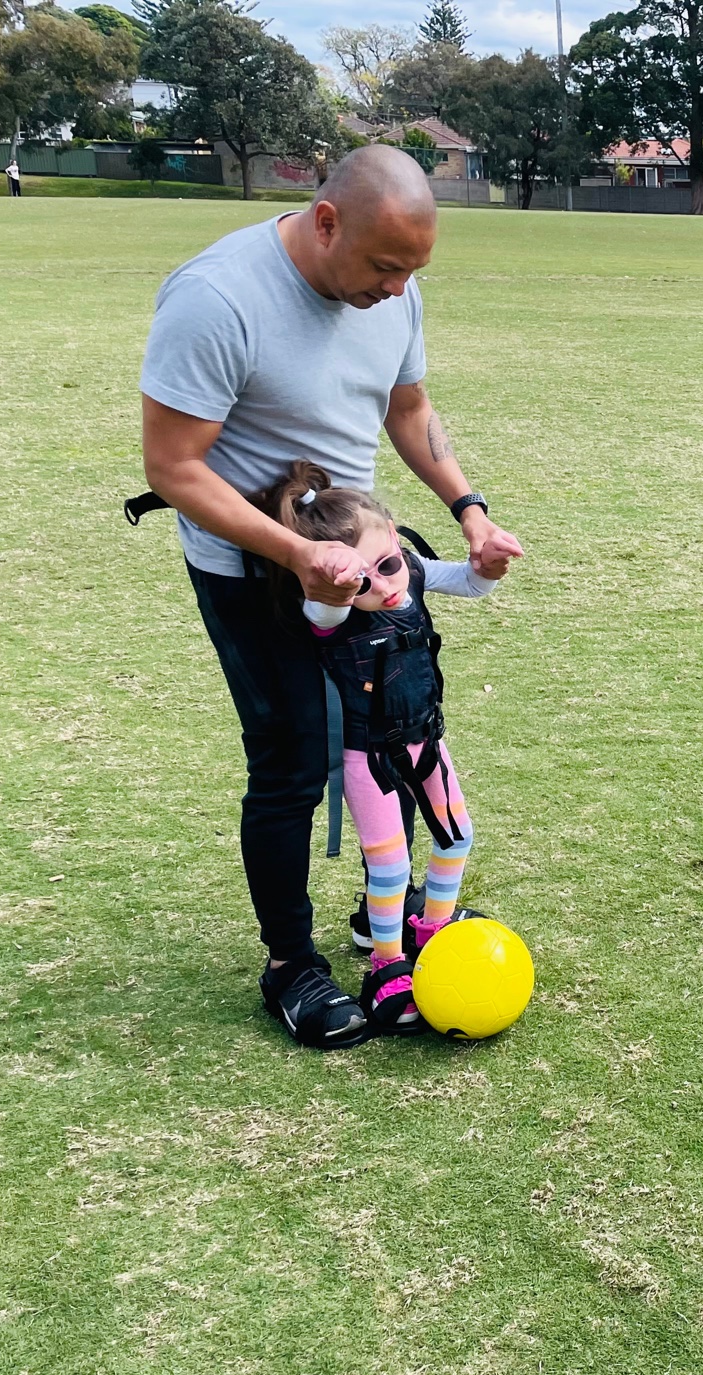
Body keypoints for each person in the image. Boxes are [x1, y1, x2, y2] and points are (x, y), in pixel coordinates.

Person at [139, 145, 522, 1049]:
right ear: (325, 222)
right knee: (292, 760)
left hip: (361, 566)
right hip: (256, 573)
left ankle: (383, 920)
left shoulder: (395, 290)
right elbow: (173, 467)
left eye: (413, 271)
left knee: (390, 734)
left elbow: (409, 409)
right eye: (384, 267)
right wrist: (294, 555)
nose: (397, 291)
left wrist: (466, 510)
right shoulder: (217, 298)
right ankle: (290, 965)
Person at [254, 460, 493, 1038]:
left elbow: (466, 580)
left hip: (427, 740)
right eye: (365, 582)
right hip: (370, 758)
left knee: (457, 835)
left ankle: (431, 933)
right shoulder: (329, 610)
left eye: (387, 566)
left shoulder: (404, 565)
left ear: (394, 534)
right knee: (390, 865)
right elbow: (327, 608)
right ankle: (388, 966)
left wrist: (488, 565)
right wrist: (337, 580)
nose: (385, 587)